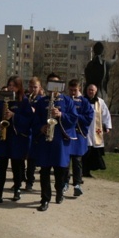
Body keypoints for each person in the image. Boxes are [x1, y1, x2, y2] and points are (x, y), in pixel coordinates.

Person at [32, 73, 78, 212]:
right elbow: (35, 120)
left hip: (60, 141)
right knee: (44, 171)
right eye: (51, 83)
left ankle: (59, 192)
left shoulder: (67, 101)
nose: (54, 86)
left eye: (56, 84)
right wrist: (41, 127)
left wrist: (61, 115)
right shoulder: (41, 101)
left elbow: (74, 118)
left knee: (60, 171)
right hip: (45, 141)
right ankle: (45, 199)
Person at [0, 76, 32, 205]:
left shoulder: (23, 101)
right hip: (3, 138)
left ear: (19, 87)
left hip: (17, 138)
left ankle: (17, 189)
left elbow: (29, 120)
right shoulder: (1, 101)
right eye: (10, 85)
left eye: (14, 85)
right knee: (1, 166)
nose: (11, 87)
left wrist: (14, 116)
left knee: (17, 166)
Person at [64, 79, 93, 197]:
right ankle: (64, 182)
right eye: (70, 90)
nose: (72, 92)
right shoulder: (65, 100)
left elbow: (88, 118)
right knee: (65, 161)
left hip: (79, 134)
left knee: (77, 161)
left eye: (75, 90)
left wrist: (75, 116)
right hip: (67, 135)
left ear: (79, 89)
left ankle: (77, 184)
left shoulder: (84, 102)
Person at [82, 84, 112, 178]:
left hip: (96, 130)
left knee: (93, 152)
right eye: (89, 90)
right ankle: (82, 170)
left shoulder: (100, 102)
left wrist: (107, 126)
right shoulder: (82, 100)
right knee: (85, 152)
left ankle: (88, 171)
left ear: (96, 91)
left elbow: (106, 114)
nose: (91, 92)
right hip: (85, 129)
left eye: (93, 90)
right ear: (86, 91)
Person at [24, 77, 44, 192]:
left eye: (35, 87)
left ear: (39, 88)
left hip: (37, 132)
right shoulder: (26, 99)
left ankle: (35, 181)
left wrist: (34, 111)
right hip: (27, 131)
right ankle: (27, 180)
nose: (33, 89)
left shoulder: (42, 100)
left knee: (36, 158)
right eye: (31, 87)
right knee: (28, 158)